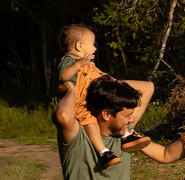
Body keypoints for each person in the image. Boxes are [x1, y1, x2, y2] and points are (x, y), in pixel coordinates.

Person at [57, 23, 154, 168]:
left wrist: (115, 83)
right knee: (91, 125)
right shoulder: (70, 61)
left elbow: (100, 75)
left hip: (96, 97)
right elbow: (63, 76)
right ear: (79, 46)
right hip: (81, 104)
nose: (95, 48)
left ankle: (127, 136)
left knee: (120, 106)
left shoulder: (88, 63)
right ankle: (104, 153)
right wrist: (78, 65)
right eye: (92, 44)